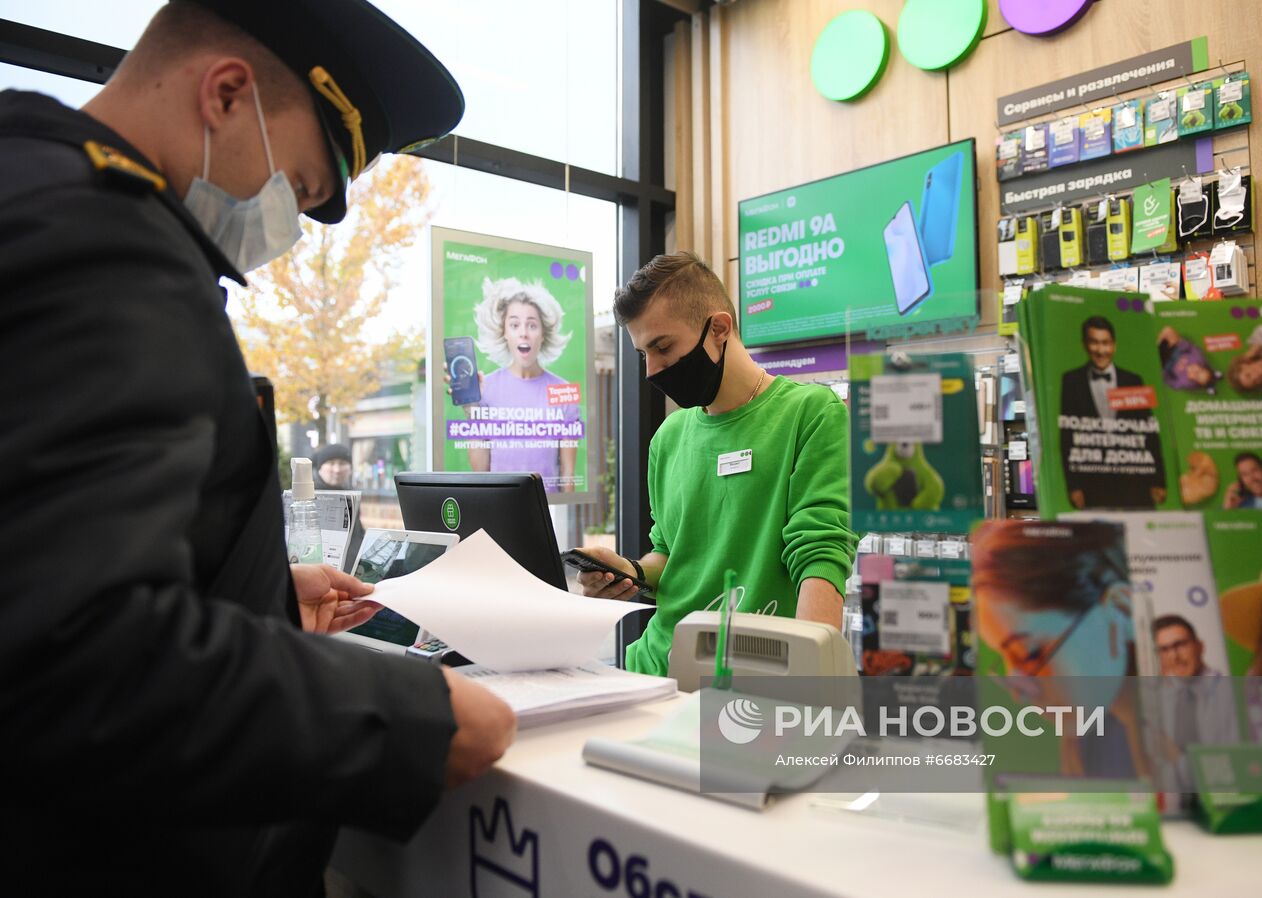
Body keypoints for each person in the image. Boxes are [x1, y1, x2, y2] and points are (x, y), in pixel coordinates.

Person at [0, 2, 515, 893]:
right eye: (302, 189)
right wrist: (410, 717)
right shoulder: (107, 250)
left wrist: (259, 597)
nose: (284, 231)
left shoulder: (32, 192)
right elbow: (79, 656)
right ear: (228, 94)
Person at [573, 252, 855, 676]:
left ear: (719, 329)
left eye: (663, 346)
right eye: (642, 353)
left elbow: (821, 555)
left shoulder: (813, 414)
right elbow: (670, 555)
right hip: (653, 671)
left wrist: (809, 684)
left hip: (753, 679)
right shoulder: (669, 436)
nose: (652, 370)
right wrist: (627, 571)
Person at [972, 520, 1149, 780]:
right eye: (1005, 661)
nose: (1020, 692)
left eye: (1030, 654)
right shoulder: (1085, 746)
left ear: (1121, 610)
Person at [466, 277, 579, 492]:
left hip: (548, 510)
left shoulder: (563, 391)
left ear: (543, 334)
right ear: (504, 333)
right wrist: (472, 411)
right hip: (500, 507)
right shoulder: (486, 389)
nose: (523, 332)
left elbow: (568, 476)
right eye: (514, 324)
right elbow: (481, 470)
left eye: (532, 325)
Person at [1059, 316, 1168, 510]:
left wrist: (1158, 480)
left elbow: (1150, 432)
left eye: (1106, 343)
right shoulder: (1071, 381)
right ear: (1085, 345)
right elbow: (1067, 436)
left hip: (1135, 482)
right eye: (1094, 343)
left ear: (1114, 345)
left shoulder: (1134, 380)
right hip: (1093, 484)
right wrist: (1074, 486)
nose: (1101, 350)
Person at [1151, 615, 1239, 794]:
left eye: (1180, 645)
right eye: (1164, 650)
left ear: (1200, 646)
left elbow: (1236, 764)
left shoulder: (1230, 694)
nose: (1174, 657)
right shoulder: (1155, 700)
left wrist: (1178, 758)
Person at [1156, 325, 1220, 393]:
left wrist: (1163, 372)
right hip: (1176, 351)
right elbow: (1190, 347)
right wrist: (1179, 343)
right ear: (1201, 366)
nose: (1195, 371)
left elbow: (1172, 383)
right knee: (1168, 330)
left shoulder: (1185, 383)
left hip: (1166, 363)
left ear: (1193, 380)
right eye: (1199, 370)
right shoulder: (1199, 358)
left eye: (1196, 375)